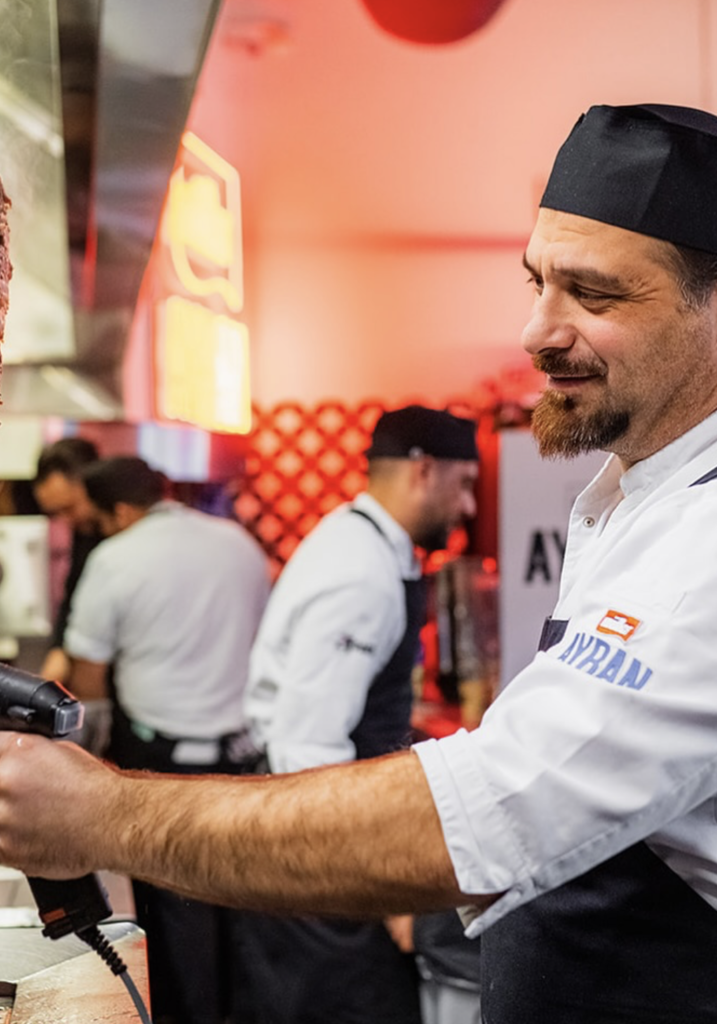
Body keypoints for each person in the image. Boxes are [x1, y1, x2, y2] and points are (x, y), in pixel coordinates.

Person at [0, 103, 717, 1023]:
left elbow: (493, 810)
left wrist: (104, 816)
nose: (536, 332)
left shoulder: (712, 537)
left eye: (593, 296)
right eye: (537, 283)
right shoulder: (630, 494)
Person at [236, 405, 478, 1024]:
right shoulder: (360, 573)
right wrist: (380, 883)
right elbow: (306, 746)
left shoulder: (371, 544)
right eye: (465, 484)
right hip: (314, 848)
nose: (469, 507)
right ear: (424, 472)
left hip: (322, 833)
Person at [62, 455, 271, 1024]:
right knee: (242, 906)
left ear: (123, 510)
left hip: (159, 761)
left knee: (174, 918)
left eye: (102, 520)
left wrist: (85, 747)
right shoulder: (239, 542)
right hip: (244, 758)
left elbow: (88, 672)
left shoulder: (114, 558)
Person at [31, 436, 100, 684]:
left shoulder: (124, 539)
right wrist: (58, 648)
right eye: (55, 513)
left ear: (91, 485)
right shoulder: (83, 531)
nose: (65, 521)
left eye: (68, 508)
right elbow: (73, 592)